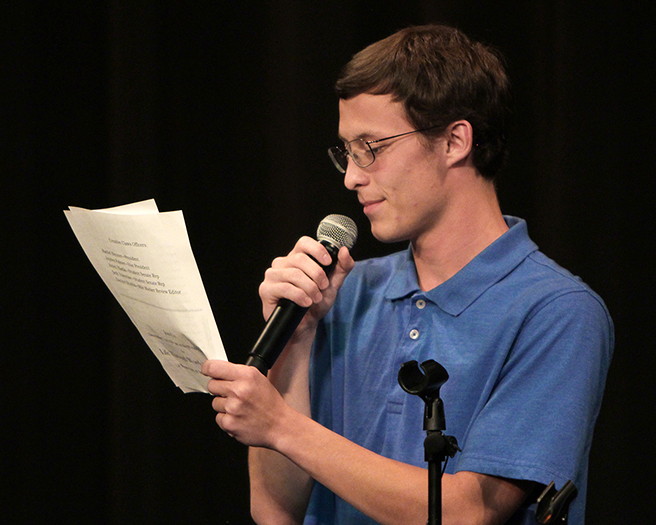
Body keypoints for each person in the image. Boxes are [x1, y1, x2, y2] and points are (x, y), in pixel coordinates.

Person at [203, 24, 613, 525]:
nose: (353, 176)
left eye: (371, 147)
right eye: (347, 152)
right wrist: (295, 345)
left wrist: (284, 427)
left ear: (454, 141)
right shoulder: (346, 291)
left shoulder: (556, 312)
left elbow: (466, 515)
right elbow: (274, 512)